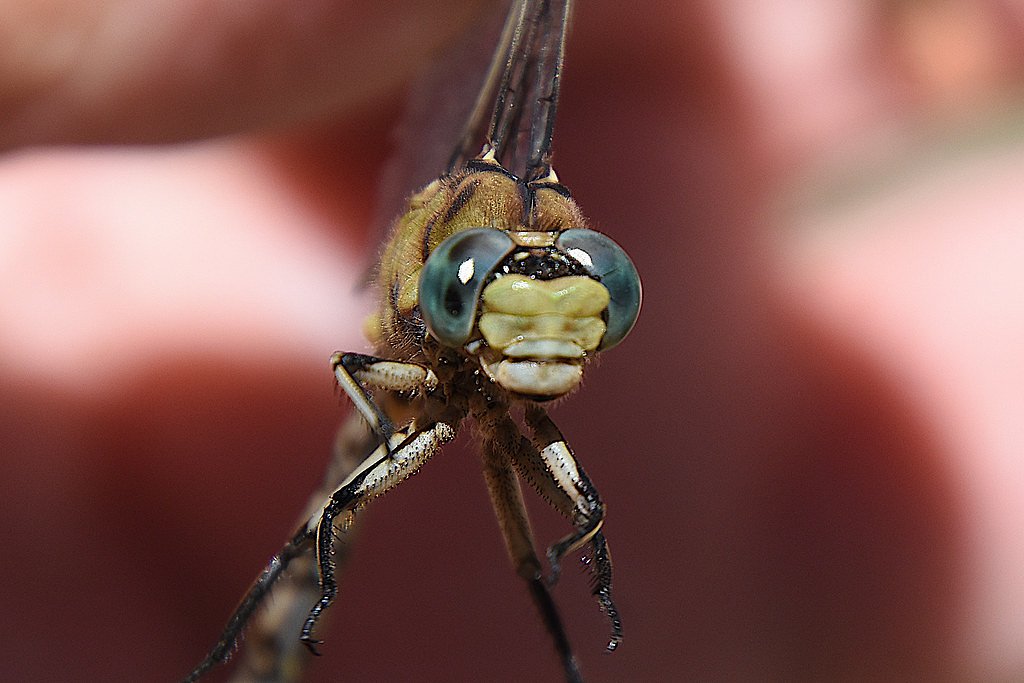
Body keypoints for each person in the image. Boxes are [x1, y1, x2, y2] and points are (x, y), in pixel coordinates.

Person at [2, 1, 1023, 680]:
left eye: (597, 302)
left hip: (449, 390)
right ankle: (258, 634)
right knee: (358, 502)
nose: (545, 324)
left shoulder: (514, 308)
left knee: (546, 522)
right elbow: (358, 369)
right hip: (408, 377)